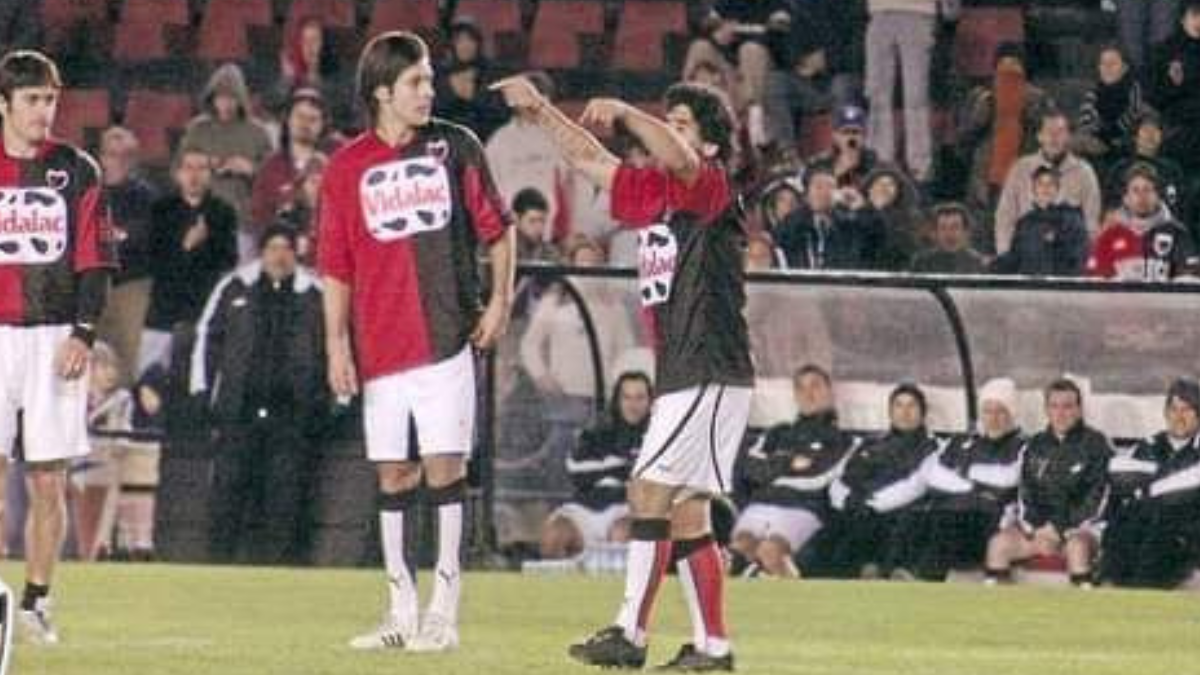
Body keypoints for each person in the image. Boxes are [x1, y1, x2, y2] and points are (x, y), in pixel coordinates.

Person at [493, 74, 754, 670]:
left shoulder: (709, 184)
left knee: (647, 491)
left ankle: (630, 634)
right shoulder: (653, 190)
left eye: (683, 124)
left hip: (707, 365)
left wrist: (630, 112)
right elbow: (590, 159)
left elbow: (679, 155)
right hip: (689, 372)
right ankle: (713, 648)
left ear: (711, 146)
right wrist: (538, 111)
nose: (670, 134)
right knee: (687, 511)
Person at [318, 31, 515, 652]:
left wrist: (502, 301)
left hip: (446, 338)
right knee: (394, 474)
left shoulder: (456, 147)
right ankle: (401, 612)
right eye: (417, 82)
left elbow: (500, 231)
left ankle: (443, 614)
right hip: (379, 350)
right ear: (383, 92)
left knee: (445, 469)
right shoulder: (346, 167)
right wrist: (336, 346)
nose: (429, 91)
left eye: (429, 81)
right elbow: (335, 266)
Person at [0, 50, 116, 644]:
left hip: (52, 337)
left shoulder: (78, 170)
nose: (45, 111)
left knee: (49, 478)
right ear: (4, 104)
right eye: (32, 100)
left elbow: (96, 261)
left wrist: (84, 332)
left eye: (51, 99)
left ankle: (37, 601)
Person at [190, 225, 328, 564]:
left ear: (297, 254)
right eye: (272, 248)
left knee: (286, 498)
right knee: (227, 494)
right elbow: (207, 339)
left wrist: (329, 402)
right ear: (261, 252)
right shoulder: (234, 287)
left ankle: (282, 572)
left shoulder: (315, 294)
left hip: (293, 415)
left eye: (286, 248)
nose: (279, 256)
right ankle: (218, 568)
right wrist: (203, 394)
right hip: (239, 412)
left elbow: (334, 346)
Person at [984, 379, 1112, 588]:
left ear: (1079, 410)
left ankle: (1085, 612)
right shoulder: (1034, 445)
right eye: (1054, 406)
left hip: (1081, 529)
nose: (1060, 413)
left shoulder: (1097, 444)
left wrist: (1058, 530)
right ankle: (997, 612)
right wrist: (1036, 529)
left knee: (1077, 548)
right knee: (998, 545)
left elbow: (1097, 499)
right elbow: (1025, 495)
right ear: (1046, 410)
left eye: (1067, 406)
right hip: (1039, 530)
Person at [731, 365, 857, 578]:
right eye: (800, 388)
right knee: (734, 554)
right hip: (761, 504)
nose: (808, 394)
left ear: (829, 391)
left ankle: (799, 603)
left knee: (770, 552)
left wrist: (772, 470)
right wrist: (788, 462)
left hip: (802, 508)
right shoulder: (777, 433)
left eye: (815, 386)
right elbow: (750, 468)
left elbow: (818, 477)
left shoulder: (843, 440)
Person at [905, 378, 1025, 580]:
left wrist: (961, 473)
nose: (993, 418)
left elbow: (1008, 478)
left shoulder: (1021, 446)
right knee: (911, 518)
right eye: (987, 411)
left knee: (944, 523)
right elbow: (930, 472)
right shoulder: (961, 442)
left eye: (1000, 411)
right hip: (951, 512)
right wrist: (974, 487)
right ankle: (890, 578)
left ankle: (923, 585)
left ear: (1012, 414)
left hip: (987, 519)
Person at [139, 146, 238, 375]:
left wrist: (206, 242)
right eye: (188, 168)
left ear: (211, 175)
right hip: (164, 312)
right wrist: (185, 246)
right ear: (178, 173)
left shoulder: (223, 212)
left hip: (203, 310)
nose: (194, 175)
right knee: (151, 378)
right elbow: (152, 260)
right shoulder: (160, 210)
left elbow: (229, 260)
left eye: (202, 168)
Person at [823, 383, 938, 580]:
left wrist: (870, 504)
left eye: (912, 406)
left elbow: (916, 485)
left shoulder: (932, 447)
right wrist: (848, 500)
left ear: (922, 412)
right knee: (830, 535)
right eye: (899, 405)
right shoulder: (870, 444)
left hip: (898, 513)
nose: (905, 412)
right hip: (856, 510)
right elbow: (841, 479)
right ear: (890, 411)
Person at [540, 372, 652, 559]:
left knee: (624, 534)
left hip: (626, 509)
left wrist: (606, 465)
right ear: (617, 400)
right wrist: (624, 465)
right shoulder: (597, 433)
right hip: (583, 508)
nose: (633, 405)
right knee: (554, 537)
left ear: (650, 402)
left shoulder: (656, 436)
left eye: (640, 398)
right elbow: (575, 469)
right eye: (627, 397)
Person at [1102, 378, 1200, 588]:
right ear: (1166, 413)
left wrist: (1150, 487)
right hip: (1145, 529)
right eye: (1174, 409)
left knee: (1159, 525)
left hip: (1186, 533)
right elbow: (1119, 483)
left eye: (1187, 410)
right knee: (1122, 526)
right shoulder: (1148, 447)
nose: (1179, 417)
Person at [180, 63, 274, 262]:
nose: (225, 103)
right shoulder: (198, 130)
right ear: (212, 98)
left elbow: (273, 179)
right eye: (221, 97)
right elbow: (178, 170)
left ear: (241, 99)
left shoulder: (257, 132)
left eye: (232, 97)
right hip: (202, 217)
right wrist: (203, 165)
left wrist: (250, 170)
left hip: (243, 221)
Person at [94, 126, 157, 386]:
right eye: (112, 154)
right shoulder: (85, 190)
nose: (118, 160)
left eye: (125, 155)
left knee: (128, 355)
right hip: (93, 283)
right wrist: (118, 235)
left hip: (132, 284)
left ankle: (124, 415)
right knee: (92, 352)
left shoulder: (146, 195)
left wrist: (114, 236)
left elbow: (143, 237)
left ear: (133, 160)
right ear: (101, 156)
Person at [994, 108, 1103, 255]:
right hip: (1027, 255)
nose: (1054, 137)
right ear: (1039, 136)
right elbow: (1005, 217)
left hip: (1068, 257)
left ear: (1068, 136)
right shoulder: (1021, 169)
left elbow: (1091, 222)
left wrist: (1084, 260)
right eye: (1048, 131)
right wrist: (1005, 255)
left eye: (1060, 132)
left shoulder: (1084, 172)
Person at [863, 0, 942, 182]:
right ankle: (880, 162)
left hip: (919, 11)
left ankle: (919, 167)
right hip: (880, 11)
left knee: (916, 95)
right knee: (877, 93)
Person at [1087, 163, 1200, 281]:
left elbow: (1190, 278)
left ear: (1157, 196)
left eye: (1147, 189)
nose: (1142, 196)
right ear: (1125, 198)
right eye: (1135, 190)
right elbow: (1094, 278)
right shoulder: (1109, 235)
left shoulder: (1178, 234)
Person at [250, 87, 330, 235]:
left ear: (322, 125)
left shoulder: (332, 168)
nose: (305, 124)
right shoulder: (270, 167)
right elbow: (259, 215)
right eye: (300, 116)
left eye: (313, 119)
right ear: (288, 120)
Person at [775, 166, 883, 270]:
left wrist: (862, 207)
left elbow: (878, 238)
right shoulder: (794, 224)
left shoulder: (850, 226)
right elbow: (781, 239)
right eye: (818, 187)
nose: (824, 192)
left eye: (830, 187)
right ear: (807, 194)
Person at [991, 166, 1088, 277]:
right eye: (1040, 184)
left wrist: (1058, 240)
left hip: (1058, 286)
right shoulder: (1025, 223)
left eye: (1050, 184)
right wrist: (995, 263)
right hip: (1030, 287)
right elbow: (1015, 256)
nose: (1045, 188)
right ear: (1034, 190)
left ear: (1057, 189)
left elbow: (1080, 254)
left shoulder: (1071, 218)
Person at [1074, 44, 1148, 177]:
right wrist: (1098, 135)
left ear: (1125, 68)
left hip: (1127, 144)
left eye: (1112, 63)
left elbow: (1134, 116)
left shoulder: (1135, 89)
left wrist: (1110, 136)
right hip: (1097, 144)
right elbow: (1086, 124)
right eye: (1103, 63)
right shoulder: (1093, 92)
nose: (1107, 68)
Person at [909, 203, 987, 274]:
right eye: (943, 228)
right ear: (936, 232)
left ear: (965, 231)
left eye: (955, 227)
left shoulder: (979, 263)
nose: (949, 233)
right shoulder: (921, 262)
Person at [511, 187, 557, 262]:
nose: (539, 227)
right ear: (516, 219)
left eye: (542, 221)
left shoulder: (550, 253)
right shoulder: (504, 251)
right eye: (532, 221)